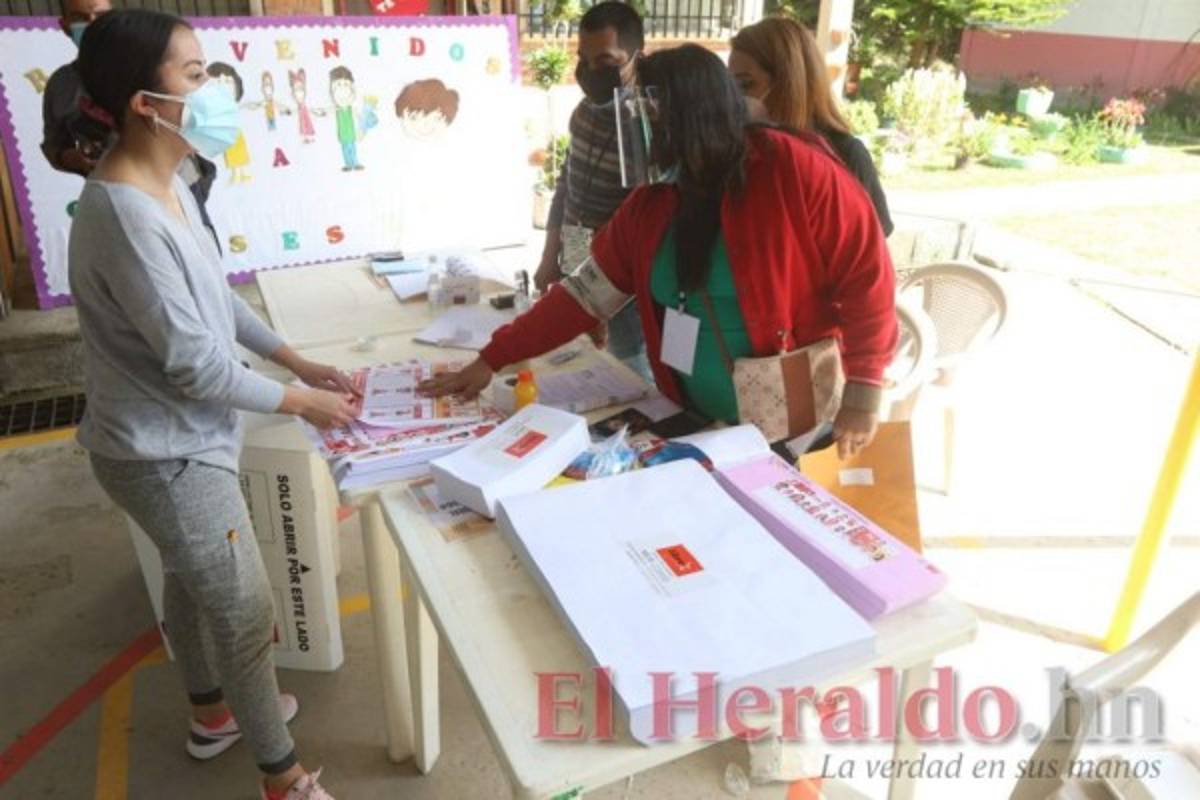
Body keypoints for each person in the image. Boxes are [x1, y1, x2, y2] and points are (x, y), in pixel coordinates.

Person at [72, 10, 355, 799]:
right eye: (193, 74)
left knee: (192, 581)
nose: (211, 87)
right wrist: (301, 402)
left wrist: (292, 358)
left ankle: (212, 716)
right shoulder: (123, 213)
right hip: (162, 454)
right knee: (240, 608)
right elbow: (196, 365)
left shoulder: (175, 181)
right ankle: (283, 776)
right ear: (142, 101)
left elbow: (217, 299)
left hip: (177, 438)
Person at [423, 45, 897, 459]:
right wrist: (493, 358)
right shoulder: (654, 201)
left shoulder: (794, 171)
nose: (639, 129)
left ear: (692, 116)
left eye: (647, 115)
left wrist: (864, 393)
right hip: (696, 418)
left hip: (790, 422)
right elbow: (583, 297)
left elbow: (868, 283)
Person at [533, 0, 651, 379]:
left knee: (628, 369)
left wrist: (605, 293)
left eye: (606, 61)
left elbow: (650, 217)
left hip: (621, 280)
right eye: (584, 58)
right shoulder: (584, 112)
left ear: (636, 57)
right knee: (585, 362)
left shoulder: (647, 126)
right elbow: (567, 188)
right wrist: (552, 256)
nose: (590, 71)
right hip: (577, 257)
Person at [729, 16, 894, 236]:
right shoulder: (739, 153)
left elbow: (872, 249)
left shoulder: (844, 154)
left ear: (788, 82)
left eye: (745, 84)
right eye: (729, 87)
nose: (734, 99)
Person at [42, 0, 112, 176]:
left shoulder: (146, 67)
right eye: (80, 18)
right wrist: (71, 158)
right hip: (104, 190)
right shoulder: (61, 83)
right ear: (65, 26)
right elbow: (54, 145)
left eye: (101, 16)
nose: (92, 23)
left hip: (178, 187)